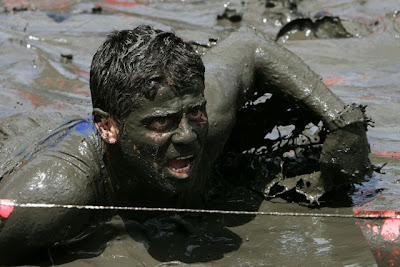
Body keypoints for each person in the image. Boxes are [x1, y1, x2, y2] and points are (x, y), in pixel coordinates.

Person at [0, 25, 370, 264]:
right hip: (26, 140)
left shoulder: (205, 111)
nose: (188, 136)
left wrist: (343, 121)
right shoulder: (55, 193)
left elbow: (248, 44)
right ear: (107, 127)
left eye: (195, 114)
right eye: (162, 123)